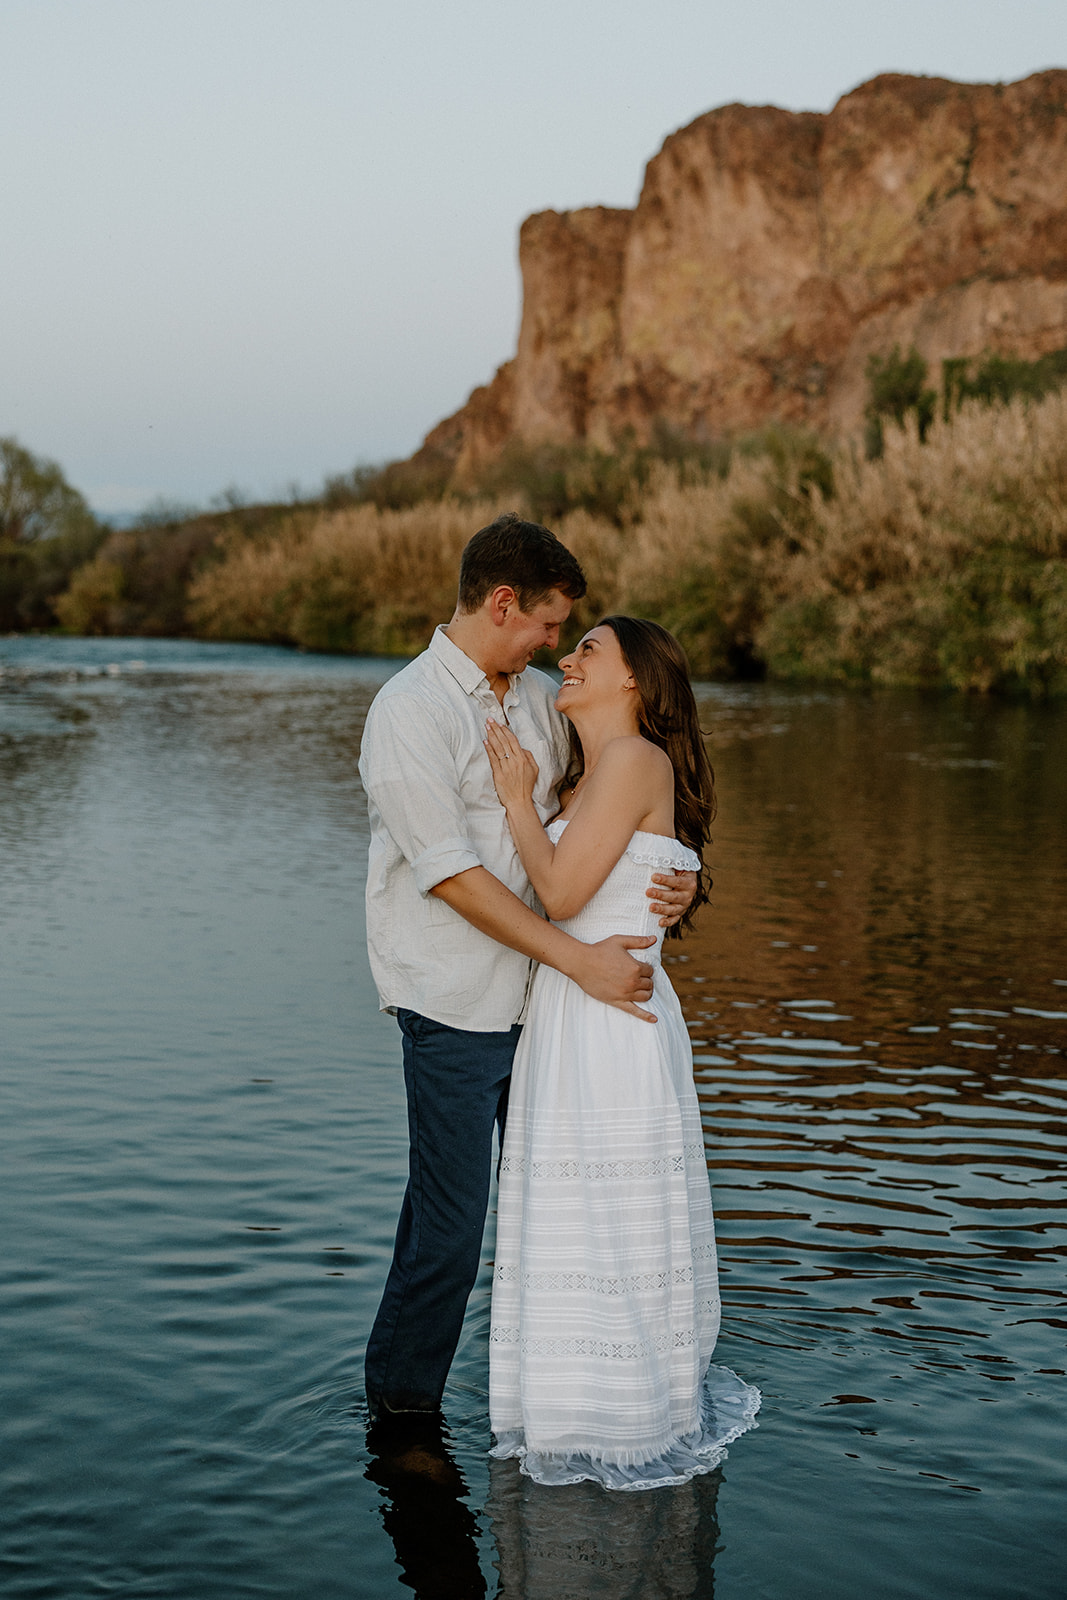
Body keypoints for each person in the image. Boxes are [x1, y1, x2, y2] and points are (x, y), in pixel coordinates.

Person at [358, 515, 697, 1426]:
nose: (557, 645)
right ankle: (401, 1423)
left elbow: (631, 811)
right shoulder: (409, 711)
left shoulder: (547, 700)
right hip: (459, 1007)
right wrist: (581, 962)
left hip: (552, 1015)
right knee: (449, 1236)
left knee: (563, 1218)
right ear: (503, 603)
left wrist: (680, 886)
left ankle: (584, 1388)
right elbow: (454, 880)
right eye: (550, 625)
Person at [484, 616, 760, 1489]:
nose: (567, 660)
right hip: (573, 1014)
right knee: (579, 1224)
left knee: (609, 1221)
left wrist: (513, 802)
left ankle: (625, 1415)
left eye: (587, 650)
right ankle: (575, 1404)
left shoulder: (634, 760)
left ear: (635, 680)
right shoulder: (590, 776)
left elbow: (562, 893)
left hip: (610, 1026)